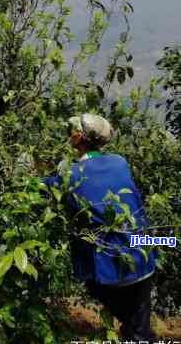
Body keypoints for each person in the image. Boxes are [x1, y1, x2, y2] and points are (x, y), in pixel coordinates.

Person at [44, 113, 156, 342]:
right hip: (143, 256)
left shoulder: (71, 175)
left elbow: (41, 187)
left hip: (110, 271)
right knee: (138, 325)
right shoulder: (119, 161)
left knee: (134, 326)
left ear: (77, 138)